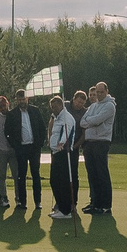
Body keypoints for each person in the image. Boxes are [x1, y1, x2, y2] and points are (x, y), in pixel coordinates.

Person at [80, 81, 117, 215]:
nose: (99, 94)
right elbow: (82, 122)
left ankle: (105, 205)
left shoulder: (110, 106)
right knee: (92, 174)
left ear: (106, 92)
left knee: (102, 174)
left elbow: (96, 120)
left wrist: (91, 121)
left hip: (101, 142)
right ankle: (95, 203)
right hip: (89, 142)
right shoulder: (93, 106)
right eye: (97, 92)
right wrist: (92, 121)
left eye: (102, 92)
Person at [47, 90, 81, 219]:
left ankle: (65, 211)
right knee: (54, 181)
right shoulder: (56, 118)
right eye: (52, 107)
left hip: (64, 153)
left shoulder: (67, 118)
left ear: (61, 105)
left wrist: (61, 144)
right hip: (56, 153)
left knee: (63, 182)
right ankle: (60, 207)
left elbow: (66, 134)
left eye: (55, 107)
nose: (53, 109)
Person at [6, 93, 42, 212]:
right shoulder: (12, 114)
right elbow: (7, 132)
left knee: (35, 174)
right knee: (21, 175)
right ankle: (22, 201)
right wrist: (15, 145)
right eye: (19, 99)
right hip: (21, 148)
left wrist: (40, 143)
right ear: (16, 100)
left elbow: (42, 127)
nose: (21, 101)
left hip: (34, 148)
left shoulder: (35, 111)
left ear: (27, 99)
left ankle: (38, 201)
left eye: (23, 99)